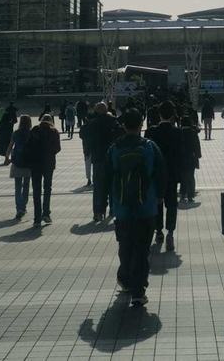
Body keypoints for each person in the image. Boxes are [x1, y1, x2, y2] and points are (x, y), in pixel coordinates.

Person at [105, 107, 167, 306]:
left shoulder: (115, 148)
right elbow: (161, 172)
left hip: (121, 207)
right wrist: (159, 196)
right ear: (141, 125)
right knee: (142, 248)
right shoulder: (149, 147)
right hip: (145, 207)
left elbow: (105, 176)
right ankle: (139, 291)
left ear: (123, 126)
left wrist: (104, 203)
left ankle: (125, 279)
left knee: (125, 245)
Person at [145, 100, 182, 249]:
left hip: (154, 175)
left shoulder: (150, 132)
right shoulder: (178, 132)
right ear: (173, 114)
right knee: (172, 204)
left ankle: (158, 231)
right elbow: (182, 155)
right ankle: (170, 233)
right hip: (172, 175)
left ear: (159, 114)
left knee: (157, 203)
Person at [23, 114, 61, 227]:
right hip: (48, 164)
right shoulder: (54, 131)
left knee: (36, 191)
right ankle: (46, 213)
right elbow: (58, 148)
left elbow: (27, 145)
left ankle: (37, 218)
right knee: (47, 188)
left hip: (35, 164)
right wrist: (50, 153)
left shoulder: (35, 130)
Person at [85, 102, 121, 222]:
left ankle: (98, 212)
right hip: (112, 157)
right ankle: (112, 209)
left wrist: (87, 152)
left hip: (98, 158)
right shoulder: (114, 122)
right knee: (112, 185)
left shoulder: (93, 123)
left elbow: (88, 140)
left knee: (98, 186)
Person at [5, 114, 33, 218]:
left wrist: (7, 157)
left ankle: (19, 207)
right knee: (26, 185)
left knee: (17, 186)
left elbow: (10, 146)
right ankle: (24, 205)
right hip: (28, 162)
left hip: (17, 161)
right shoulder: (31, 133)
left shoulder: (16, 133)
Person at [179, 115, 201, 202]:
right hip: (191, 157)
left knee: (182, 175)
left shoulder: (179, 131)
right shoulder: (193, 132)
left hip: (181, 157)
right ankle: (191, 194)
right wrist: (198, 155)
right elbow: (197, 145)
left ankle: (183, 192)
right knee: (191, 176)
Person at [79, 113, 93, 187]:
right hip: (94, 148)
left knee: (87, 164)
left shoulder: (84, 126)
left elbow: (81, 136)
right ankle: (94, 178)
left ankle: (89, 179)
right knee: (95, 164)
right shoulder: (95, 126)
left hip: (86, 147)